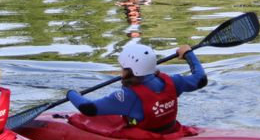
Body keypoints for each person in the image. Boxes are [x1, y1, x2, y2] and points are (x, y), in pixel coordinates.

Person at [66, 40, 206, 134]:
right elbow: (201, 79)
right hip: (172, 131)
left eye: (123, 67)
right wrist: (188, 54)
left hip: (145, 136)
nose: (121, 70)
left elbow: (88, 109)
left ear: (131, 70)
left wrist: (71, 93)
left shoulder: (127, 96)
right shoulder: (173, 81)